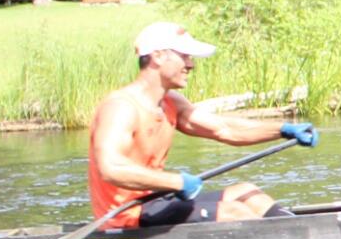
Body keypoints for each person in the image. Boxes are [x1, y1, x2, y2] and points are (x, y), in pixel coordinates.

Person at [88, 21, 317, 227]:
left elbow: (225, 129)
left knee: (248, 194)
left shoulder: (171, 103)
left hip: (158, 200)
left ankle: (301, 234)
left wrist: (283, 130)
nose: (191, 65)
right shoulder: (121, 107)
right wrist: (176, 182)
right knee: (234, 213)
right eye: (184, 56)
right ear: (158, 56)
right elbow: (111, 168)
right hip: (126, 214)